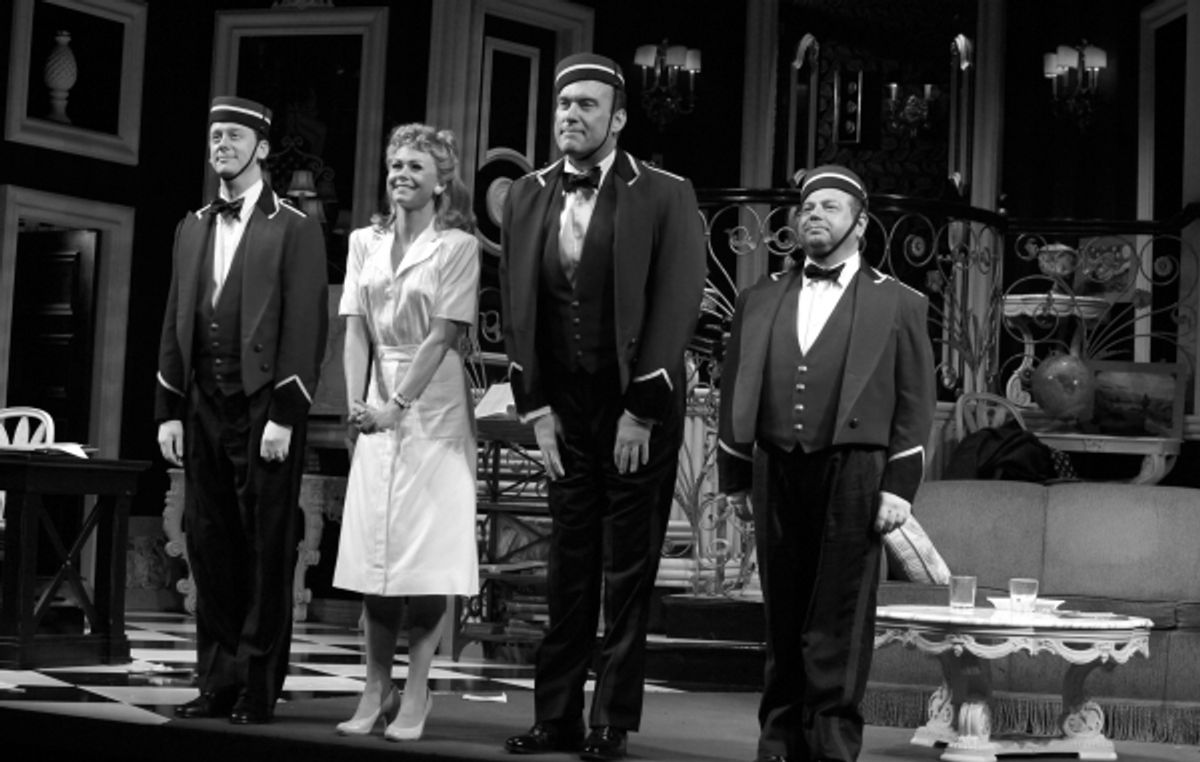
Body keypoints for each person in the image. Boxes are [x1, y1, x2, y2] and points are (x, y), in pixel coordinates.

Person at [499, 53, 706, 761]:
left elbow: (677, 302)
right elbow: (518, 307)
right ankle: (554, 717)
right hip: (564, 408)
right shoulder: (526, 195)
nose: (571, 117)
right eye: (563, 106)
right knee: (568, 565)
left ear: (617, 118)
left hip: (634, 405)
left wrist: (642, 410)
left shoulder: (665, 192)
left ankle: (610, 720)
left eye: (587, 106)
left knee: (626, 568)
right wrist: (535, 409)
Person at [717, 165, 936, 762]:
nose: (814, 214)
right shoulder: (759, 298)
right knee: (782, 612)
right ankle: (779, 743)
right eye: (809, 206)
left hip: (856, 470)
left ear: (860, 223)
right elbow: (738, 384)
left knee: (839, 615)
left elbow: (916, 402)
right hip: (777, 465)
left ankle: (832, 746)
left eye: (831, 207)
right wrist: (736, 474)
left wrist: (899, 486)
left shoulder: (899, 301)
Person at [156, 95, 328, 724]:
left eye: (232, 136)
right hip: (203, 404)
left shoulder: (296, 227)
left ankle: (257, 685)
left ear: (260, 146)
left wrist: (285, 413)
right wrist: (168, 408)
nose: (220, 146)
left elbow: (307, 327)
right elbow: (176, 320)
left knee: (266, 548)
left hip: (264, 408)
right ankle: (217, 680)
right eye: (214, 138)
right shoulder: (192, 225)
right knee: (209, 543)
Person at [331, 123, 481, 742]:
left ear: (441, 181)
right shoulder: (364, 241)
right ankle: (375, 684)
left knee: (425, 560)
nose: (402, 174)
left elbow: (443, 333)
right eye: (396, 164)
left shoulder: (457, 247)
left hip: (433, 403)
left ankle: (416, 688)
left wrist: (396, 405)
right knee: (374, 556)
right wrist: (354, 408)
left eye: (416, 166)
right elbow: (354, 329)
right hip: (374, 404)